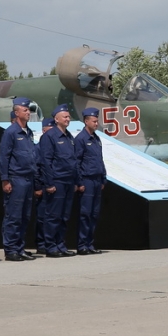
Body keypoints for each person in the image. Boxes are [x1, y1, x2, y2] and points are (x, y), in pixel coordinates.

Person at [0, 97, 39, 261]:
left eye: (28, 110)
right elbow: (3, 157)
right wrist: (5, 180)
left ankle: (20, 248)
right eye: (25, 110)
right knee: (13, 216)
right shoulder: (11, 132)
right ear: (16, 112)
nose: (28, 112)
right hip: (16, 178)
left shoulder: (27, 132)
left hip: (28, 178)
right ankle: (11, 249)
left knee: (24, 216)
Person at [38, 103, 79, 258]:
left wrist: (75, 181)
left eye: (68, 116)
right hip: (57, 182)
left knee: (64, 216)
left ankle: (61, 245)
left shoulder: (69, 137)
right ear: (56, 119)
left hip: (68, 182)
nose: (68, 119)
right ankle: (50, 246)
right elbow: (45, 161)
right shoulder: (50, 136)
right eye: (65, 116)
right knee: (53, 216)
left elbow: (73, 161)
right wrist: (49, 183)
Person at [75, 107, 107, 255]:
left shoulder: (96, 138)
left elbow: (100, 160)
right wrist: (79, 182)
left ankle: (90, 244)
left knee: (94, 214)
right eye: (94, 121)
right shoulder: (81, 139)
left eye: (97, 120)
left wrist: (103, 179)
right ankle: (82, 245)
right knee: (85, 214)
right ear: (86, 121)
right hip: (86, 180)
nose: (96, 123)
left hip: (96, 180)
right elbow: (77, 162)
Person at [34, 116, 55, 255]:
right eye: (50, 128)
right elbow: (36, 168)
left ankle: (50, 242)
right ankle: (41, 243)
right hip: (42, 185)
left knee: (53, 216)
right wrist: (37, 187)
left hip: (53, 185)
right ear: (44, 129)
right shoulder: (38, 147)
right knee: (42, 217)